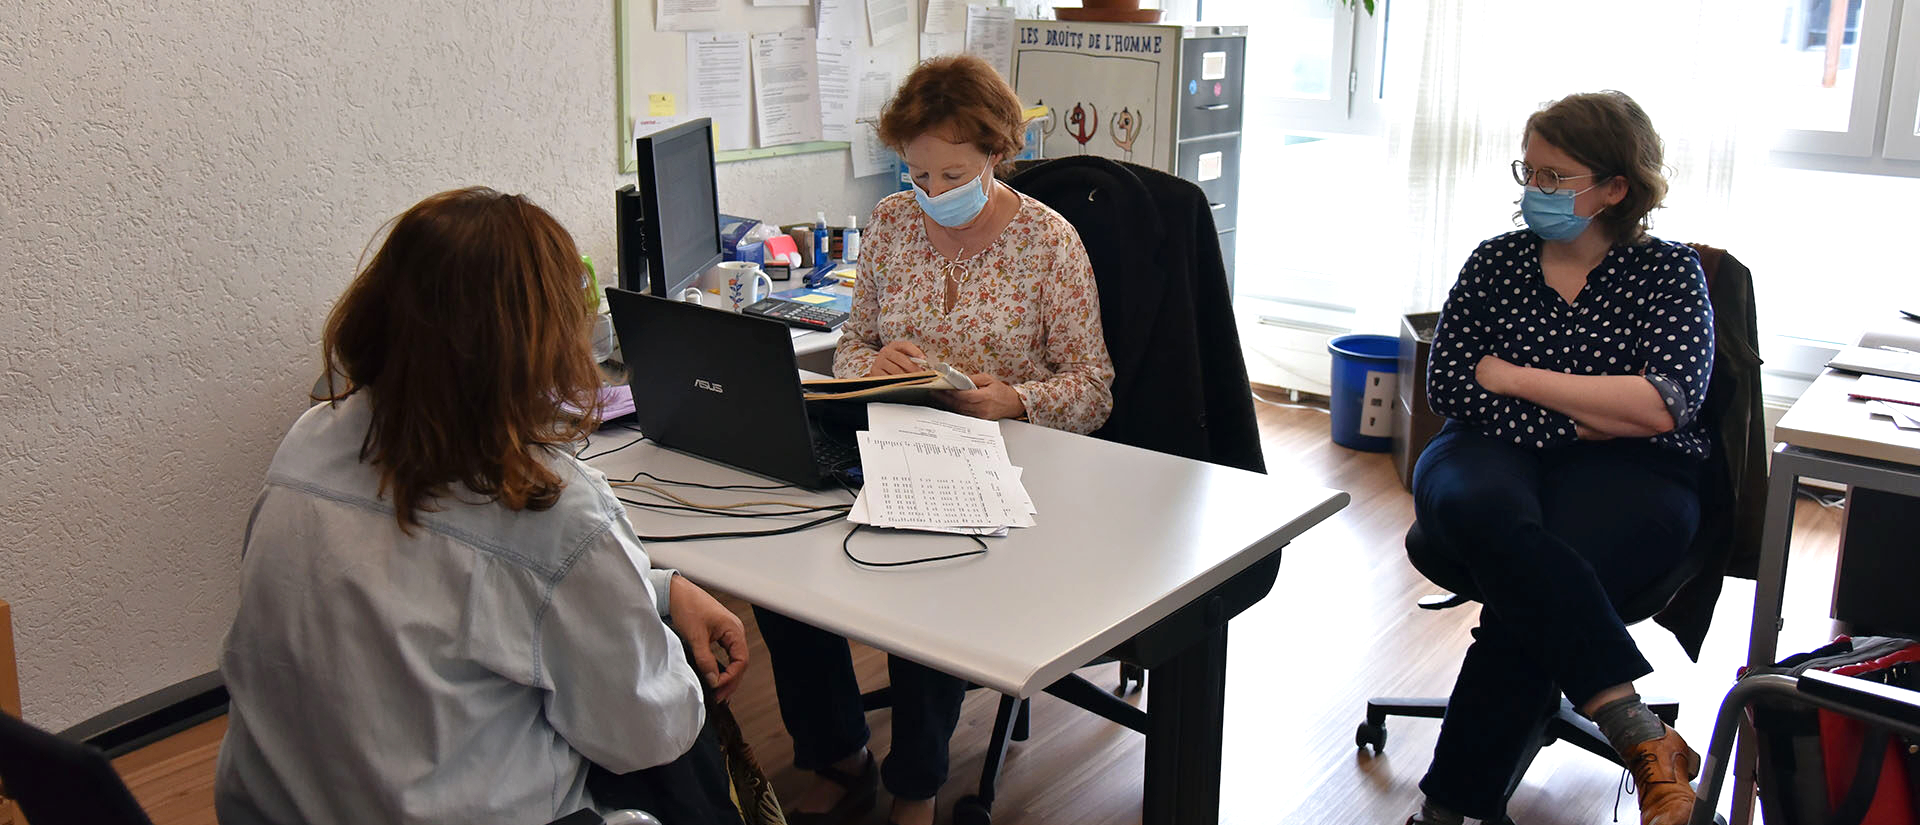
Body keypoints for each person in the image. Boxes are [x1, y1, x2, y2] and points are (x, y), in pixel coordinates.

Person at [215, 188, 752, 825]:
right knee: (680, 730)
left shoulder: (312, 439)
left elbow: (450, 591)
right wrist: (651, 627)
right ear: (543, 345)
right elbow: (649, 734)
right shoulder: (553, 509)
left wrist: (658, 590)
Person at [755, 55, 1114, 825]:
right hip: (888, 439)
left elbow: (1093, 386)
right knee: (781, 572)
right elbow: (853, 344)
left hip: (1006, 460)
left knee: (925, 570)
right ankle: (838, 751)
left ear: (995, 153)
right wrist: (874, 361)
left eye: (953, 174)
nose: (933, 194)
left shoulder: (1050, 243)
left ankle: (915, 784)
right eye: (918, 174)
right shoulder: (888, 223)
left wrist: (1012, 397)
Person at [1407, 92, 1714, 825]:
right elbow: (1450, 381)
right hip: (1489, 450)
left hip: (1637, 470)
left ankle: (1445, 812)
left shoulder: (1670, 274)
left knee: (1529, 589)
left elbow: (1666, 403)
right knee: (1484, 513)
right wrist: (1582, 422)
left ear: (1615, 187)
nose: (1533, 191)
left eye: (1554, 177)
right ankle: (1641, 734)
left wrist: (1513, 377)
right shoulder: (1497, 262)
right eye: (1529, 171)